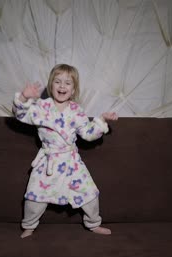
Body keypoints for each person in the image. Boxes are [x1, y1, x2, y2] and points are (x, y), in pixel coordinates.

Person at [12, 64, 118, 238]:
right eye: (58, 81)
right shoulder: (41, 107)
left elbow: (88, 134)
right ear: (50, 85)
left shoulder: (77, 111)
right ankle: (29, 226)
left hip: (71, 163)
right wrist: (24, 97)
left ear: (74, 88)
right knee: (34, 197)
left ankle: (93, 223)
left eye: (68, 83)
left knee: (90, 193)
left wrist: (101, 120)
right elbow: (20, 114)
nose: (62, 86)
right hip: (48, 162)